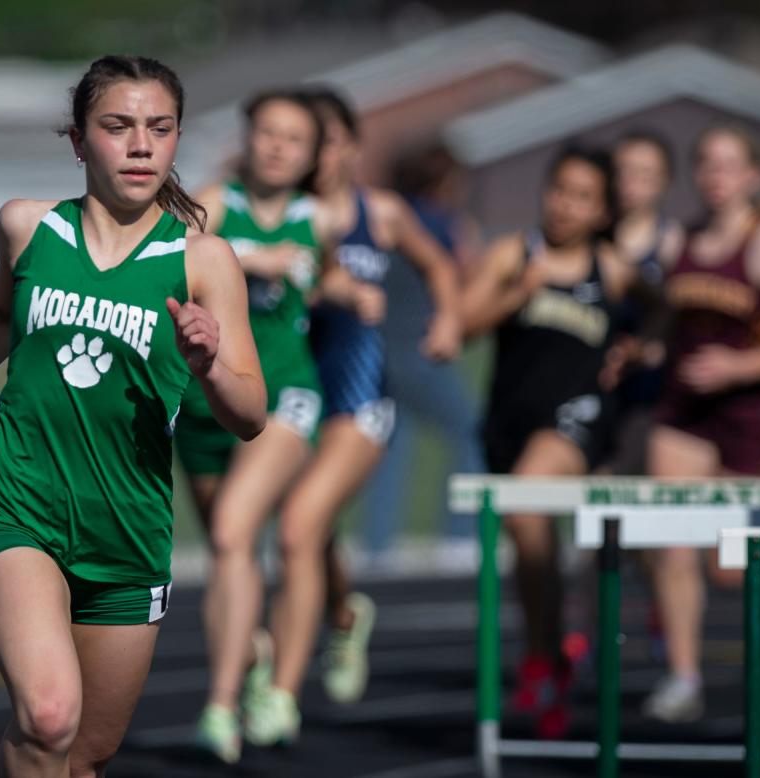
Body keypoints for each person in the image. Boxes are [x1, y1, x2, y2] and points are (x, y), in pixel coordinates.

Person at [0, 55, 266, 777]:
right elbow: (0, 318)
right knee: (49, 714)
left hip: (126, 535)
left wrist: (210, 362)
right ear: (78, 140)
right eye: (117, 127)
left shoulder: (204, 262)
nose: (141, 145)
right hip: (18, 513)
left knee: (83, 755)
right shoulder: (27, 228)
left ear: (179, 137)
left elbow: (250, 416)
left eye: (160, 128)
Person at [239, 86, 462, 745]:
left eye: (334, 140)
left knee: (300, 526)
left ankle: (279, 690)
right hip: (288, 384)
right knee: (306, 528)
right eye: (314, 141)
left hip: (360, 392)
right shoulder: (286, 214)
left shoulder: (379, 211)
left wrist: (447, 316)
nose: (323, 154)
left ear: (350, 147)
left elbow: (437, 262)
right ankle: (341, 611)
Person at [174, 88, 376, 764]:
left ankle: (229, 705)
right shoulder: (211, 203)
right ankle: (251, 652)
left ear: (313, 153)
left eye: (295, 138)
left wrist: (353, 293)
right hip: (203, 405)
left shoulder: (315, 218)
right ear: (248, 137)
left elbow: (330, 281)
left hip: (284, 396)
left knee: (239, 527)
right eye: (267, 132)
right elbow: (170, 255)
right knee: (229, 551)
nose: (279, 147)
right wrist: (246, 259)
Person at [641, 125, 760, 723]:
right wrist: (641, 348)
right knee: (671, 542)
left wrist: (739, 366)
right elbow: (668, 321)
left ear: (753, 177)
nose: (715, 176)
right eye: (706, 164)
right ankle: (683, 676)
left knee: (727, 567)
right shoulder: (680, 241)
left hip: (749, 415)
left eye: (728, 165)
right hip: (684, 414)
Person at [460, 145, 632, 739]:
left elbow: (661, 311)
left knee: (529, 508)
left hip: (577, 418)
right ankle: (550, 654)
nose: (566, 206)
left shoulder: (612, 267)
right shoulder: (515, 252)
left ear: (603, 210)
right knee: (527, 536)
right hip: (509, 419)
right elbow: (463, 322)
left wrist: (639, 347)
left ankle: (541, 656)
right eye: (560, 190)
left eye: (583, 197)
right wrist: (517, 291)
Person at [365, 143, 485, 556]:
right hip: (421, 346)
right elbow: (465, 272)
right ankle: (459, 536)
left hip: (378, 350)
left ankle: (378, 545)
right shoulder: (442, 223)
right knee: (472, 431)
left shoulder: (382, 213)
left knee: (390, 446)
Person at [608, 130, 683, 475]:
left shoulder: (675, 243)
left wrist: (648, 349)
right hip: (594, 386)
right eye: (624, 170)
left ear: (664, 181)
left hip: (648, 395)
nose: (631, 183)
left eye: (644, 174)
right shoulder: (594, 238)